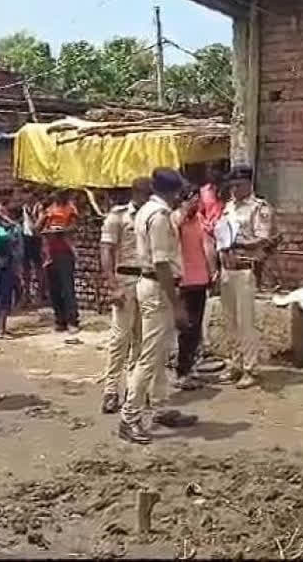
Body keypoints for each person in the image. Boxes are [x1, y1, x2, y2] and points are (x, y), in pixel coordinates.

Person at [118, 168, 198, 443]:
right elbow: (162, 263)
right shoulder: (160, 217)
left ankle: (160, 408)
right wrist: (176, 305)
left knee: (161, 352)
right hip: (159, 287)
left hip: (151, 284)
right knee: (150, 356)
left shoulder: (146, 210)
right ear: (174, 191)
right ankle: (129, 417)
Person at [217, 164, 275, 389]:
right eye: (232, 185)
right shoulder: (229, 206)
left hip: (245, 268)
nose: (234, 189)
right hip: (227, 269)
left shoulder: (259, 208)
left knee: (246, 322)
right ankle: (234, 363)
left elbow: (262, 239)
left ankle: (250, 368)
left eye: (238, 185)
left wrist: (236, 244)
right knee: (229, 321)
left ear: (249, 184)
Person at [100, 177, 153, 414]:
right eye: (143, 192)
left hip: (149, 280)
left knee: (142, 339)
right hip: (125, 279)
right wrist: (112, 285)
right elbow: (107, 251)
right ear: (135, 192)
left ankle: (135, 390)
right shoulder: (118, 216)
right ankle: (111, 390)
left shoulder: (154, 217)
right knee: (119, 339)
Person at [173, 182, 217, 390]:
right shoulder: (175, 219)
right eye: (191, 199)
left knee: (195, 327)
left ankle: (190, 368)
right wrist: (184, 212)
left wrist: (212, 271)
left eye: (197, 199)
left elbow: (208, 247)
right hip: (181, 280)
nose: (195, 203)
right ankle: (182, 370)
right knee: (185, 328)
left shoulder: (200, 220)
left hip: (199, 280)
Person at [38, 189, 81, 334]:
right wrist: (43, 218)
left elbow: (74, 227)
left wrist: (61, 231)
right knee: (54, 288)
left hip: (65, 251)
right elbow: (36, 229)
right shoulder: (49, 210)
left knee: (67, 287)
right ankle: (59, 319)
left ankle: (72, 320)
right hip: (49, 253)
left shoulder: (70, 208)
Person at [0, 189, 24, 337]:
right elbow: (16, 247)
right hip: (5, 264)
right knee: (3, 297)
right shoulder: (11, 229)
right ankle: (1, 330)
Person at [21, 183, 47, 308]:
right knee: (26, 268)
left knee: (38, 267)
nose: (26, 196)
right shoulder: (25, 207)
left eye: (28, 193)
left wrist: (35, 226)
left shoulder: (38, 206)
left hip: (36, 239)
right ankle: (26, 294)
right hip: (26, 238)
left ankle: (40, 293)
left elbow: (41, 220)